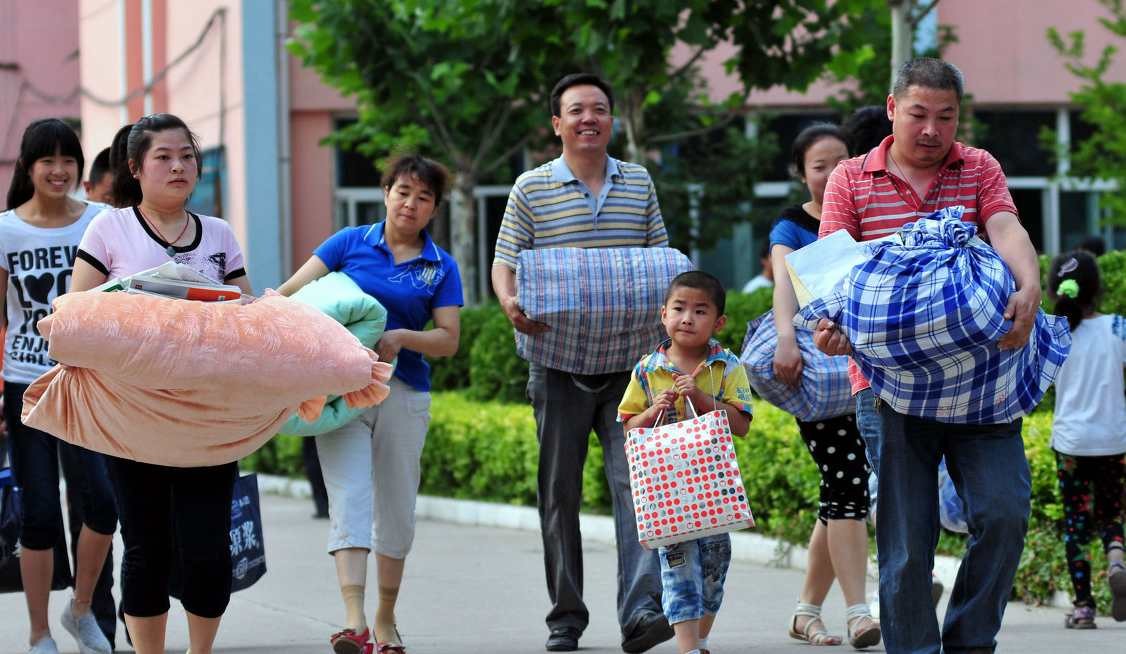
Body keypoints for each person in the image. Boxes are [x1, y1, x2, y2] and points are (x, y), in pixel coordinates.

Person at [815, 58, 1041, 653]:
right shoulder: (850, 179)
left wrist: (1029, 285)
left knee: (1004, 513)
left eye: (946, 116)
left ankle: (969, 642)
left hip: (982, 382)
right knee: (907, 543)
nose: (932, 130)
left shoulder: (979, 167)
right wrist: (829, 325)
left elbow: (1006, 227)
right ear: (893, 110)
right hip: (888, 390)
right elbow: (830, 270)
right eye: (918, 114)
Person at [491, 72, 671, 653]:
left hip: (630, 366)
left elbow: (660, 262)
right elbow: (504, 262)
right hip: (558, 362)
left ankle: (641, 611)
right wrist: (509, 302)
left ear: (611, 120)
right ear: (557, 124)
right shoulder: (530, 187)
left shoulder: (638, 182)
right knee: (559, 493)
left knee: (637, 488)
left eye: (598, 109)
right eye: (576, 110)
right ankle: (565, 615)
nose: (588, 118)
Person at [69, 113, 253, 654]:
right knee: (146, 546)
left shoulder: (219, 234)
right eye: (163, 157)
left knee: (207, 552)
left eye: (187, 156)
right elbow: (76, 315)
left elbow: (248, 315)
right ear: (135, 168)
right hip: (134, 418)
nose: (178, 166)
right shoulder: (108, 229)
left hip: (208, 421)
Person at [278, 153, 462, 654]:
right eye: (403, 191)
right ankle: (354, 621)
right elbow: (291, 294)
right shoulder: (348, 244)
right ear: (386, 193)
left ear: (434, 209)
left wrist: (402, 336)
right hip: (340, 394)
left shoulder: (440, 267)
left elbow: (448, 339)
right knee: (349, 496)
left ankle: (385, 619)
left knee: (397, 508)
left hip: (404, 395)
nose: (410, 203)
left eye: (423, 197)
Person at [0, 118, 117, 654]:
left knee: (102, 507)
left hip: (87, 384)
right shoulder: (6, 230)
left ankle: (81, 608)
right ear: (29, 166)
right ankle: (38, 633)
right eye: (48, 160)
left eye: (68, 160)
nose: (59, 170)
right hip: (27, 384)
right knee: (41, 514)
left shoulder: (100, 222)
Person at [769, 124, 880, 648]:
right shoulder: (792, 225)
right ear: (801, 172)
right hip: (817, 373)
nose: (833, 173)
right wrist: (787, 339)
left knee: (842, 489)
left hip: (863, 366)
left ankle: (805, 611)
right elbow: (782, 287)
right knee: (848, 480)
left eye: (842, 161)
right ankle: (859, 612)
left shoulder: (861, 216)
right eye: (820, 165)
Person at [618, 271, 753, 654]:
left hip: (712, 488)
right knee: (678, 570)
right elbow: (628, 427)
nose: (687, 318)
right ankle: (688, 648)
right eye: (679, 309)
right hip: (665, 491)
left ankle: (702, 637)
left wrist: (704, 399)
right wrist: (652, 411)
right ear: (663, 314)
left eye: (699, 310)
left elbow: (741, 424)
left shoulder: (726, 366)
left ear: (718, 321)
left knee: (714, 568)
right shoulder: (647, 369)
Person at [1046, 250, 1126, 628]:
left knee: (1077, 524)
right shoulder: (1118, 328)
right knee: (1112, 514)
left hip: (1071, 444)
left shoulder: (1053, 331)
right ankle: (1116, 558)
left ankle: (1082, 608)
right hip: (1114, 439)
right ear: (1098, 288)